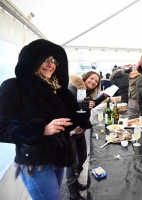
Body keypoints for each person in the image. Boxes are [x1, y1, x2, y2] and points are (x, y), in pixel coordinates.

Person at [0, 39, 92, 200]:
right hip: (35, 163)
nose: (51, 64)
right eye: (46, 59)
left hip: (57, 157)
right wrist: (41, 129)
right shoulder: (13, 86)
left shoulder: (56, 90)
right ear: (32, 60)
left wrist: (82, 109)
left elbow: (68, 121)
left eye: (54, 60)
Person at [67, 71, 108, 199]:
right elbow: (70, 109)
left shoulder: (86, 92)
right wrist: (83, 106)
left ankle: (75, 177)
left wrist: (102, 97)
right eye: (91, 78)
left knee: (83, 157)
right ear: (85, 78)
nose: (93, 82)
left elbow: (89, 105)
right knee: (71, 163)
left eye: (96, 81)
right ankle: (73, 194)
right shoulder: (72, 89)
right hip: (71, 132)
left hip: (80, 130)